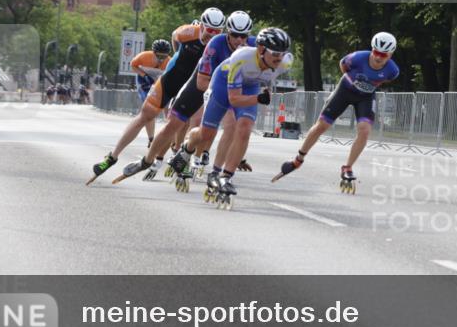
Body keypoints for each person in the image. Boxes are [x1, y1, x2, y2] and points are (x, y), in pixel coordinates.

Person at [86, 7, 225, 184]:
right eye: (208, 31)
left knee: (181, 123)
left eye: (216, 32)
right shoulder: (189, 32)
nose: (211, 36)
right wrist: (179, 55)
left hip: (191, 87)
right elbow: (175, 36)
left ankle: (178, 156)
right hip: (171, 80)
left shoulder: (220, 44)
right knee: (145, 116)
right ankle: (112, 157)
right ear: (202, 26)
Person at [118, 11, 256, 183]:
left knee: (224, 126)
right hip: (203, 83)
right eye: (235, 35)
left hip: (229, 86)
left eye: (243, 36)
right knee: (175, 124)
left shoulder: (254, 47)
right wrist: (181, 55)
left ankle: (206, 165)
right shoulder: (214, 44)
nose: (239, 41)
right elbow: (200, 82)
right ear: (228, 33)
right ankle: (149, 159)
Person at [273, 32, 400, 193]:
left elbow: (386, 79)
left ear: (390, 54)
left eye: (384, 55)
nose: (378, 57)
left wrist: (367, 85)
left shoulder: (393, 70)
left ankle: (347, 167)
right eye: (376, 52)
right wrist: (351, 79)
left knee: (365, 130)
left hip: (366, 97)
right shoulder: (357, 58)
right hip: (345, 90)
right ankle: (298, 159)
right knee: (322, 125)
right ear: (372, 49)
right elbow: (343, 65)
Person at [177, 27, 293, 204]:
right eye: (276, 53)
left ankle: (224, 176)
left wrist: (262, 93)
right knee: (206, 133)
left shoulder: (285, 62)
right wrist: (258, 98)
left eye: (283, 53)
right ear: (261, 49)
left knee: (244, 128)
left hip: (251, 85)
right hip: (223, 84)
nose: (279, 58)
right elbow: (235, 99)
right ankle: (186, 148)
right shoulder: (241, 59)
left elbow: (267, 78)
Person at [130, 39, 171, 146]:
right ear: (153, 53)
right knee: (149, 109)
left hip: (158, 80)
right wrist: (144, 75)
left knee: (168, 106)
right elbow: (133, 65)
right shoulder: (143, 57)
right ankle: (151, 138)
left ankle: (170, 132)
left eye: (164, 56)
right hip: (144, 80)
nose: (161, 59)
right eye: (158, 56)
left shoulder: (170, 62)